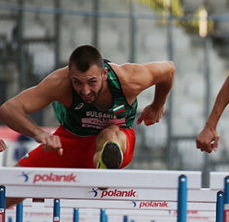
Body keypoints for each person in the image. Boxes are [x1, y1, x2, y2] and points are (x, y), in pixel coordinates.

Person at [0, 44, 175, 171]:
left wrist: (157, 105)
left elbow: (169, 70)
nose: (85, 90)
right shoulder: (59, 82)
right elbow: (9, 109)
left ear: (104, 74)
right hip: (68, 141)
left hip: (117, 138)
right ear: (70, 76)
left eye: (92, 82)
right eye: (77, 82)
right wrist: (39, 134)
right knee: (11, 187)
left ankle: (105, 166)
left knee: (109, 133)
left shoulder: (129, 79)